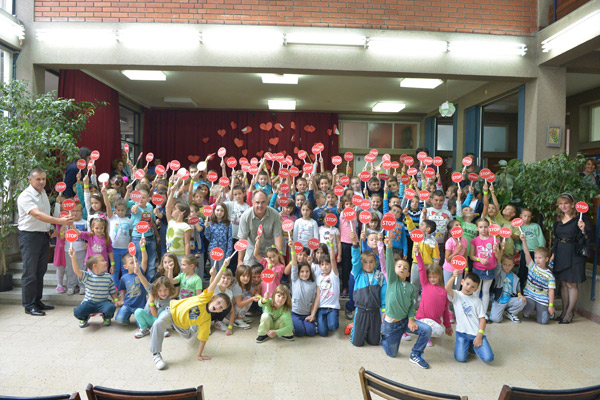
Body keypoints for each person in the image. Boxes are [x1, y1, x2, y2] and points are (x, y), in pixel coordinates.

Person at [149, 258, 232, 370]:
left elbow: (203, 339)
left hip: (183, 327)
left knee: (190, 335)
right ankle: (156, 355)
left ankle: (192, 326)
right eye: (218, 303)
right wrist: (223, 267)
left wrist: (199, 355)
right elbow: (214, 283)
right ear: (213, 298)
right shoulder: (204, 297)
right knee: (158, 324)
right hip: (172, 313)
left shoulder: (206, 320)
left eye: (220, 307)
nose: (217, 306)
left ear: (219, 312)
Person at [17, 167, 73, 316]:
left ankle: (37, 301)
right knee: (30, 272)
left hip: (43, 235)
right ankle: (29, 305)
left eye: (44, 179)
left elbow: (45, 215)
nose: (42, 182)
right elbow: (38, 215)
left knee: (40, 271)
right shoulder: (26, 196)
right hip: (29, 236)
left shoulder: (42, 194)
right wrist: (59, 221)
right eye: (38, 179)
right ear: (30, 180)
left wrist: (52, 227)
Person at [380, 238, 432, 368]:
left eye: (405, 267)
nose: (402, 268)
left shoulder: (410, 287)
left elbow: (410, 306)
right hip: (392, 325)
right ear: (394, 270)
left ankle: (416, 354)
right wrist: (389, 247)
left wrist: (411, 320)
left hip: (405, 322)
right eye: (399, 266)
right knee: (392, 354)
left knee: (427, 329)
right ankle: (384, 337)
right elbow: (389, 265)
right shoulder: (392, 281)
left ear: (408, 273)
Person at [551, 193, 594, 324]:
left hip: (575, 254)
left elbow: (589, 238)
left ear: (572, 204)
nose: (563, 206)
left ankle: (570, 313)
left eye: (566, 203)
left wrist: (583, 229)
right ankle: (564, 311)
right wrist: (553, 253)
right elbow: (556, 239)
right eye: (561, 204)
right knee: (563, 284)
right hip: (561, 253)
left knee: (571, 283)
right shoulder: (558, 219)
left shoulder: (581, 219)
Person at [446, 269, 494, 363]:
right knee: (461, 359)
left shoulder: (477, 301)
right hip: (462, 333)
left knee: (489, 358)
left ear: (476, 289)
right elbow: (447, 288)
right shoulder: (456, 295)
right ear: (462, 282)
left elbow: (482, 320)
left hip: (476, 334)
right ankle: (468, 345)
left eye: (472, 287)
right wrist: (453, 276)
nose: (468, 288)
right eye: (467, 284)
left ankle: (473, 345)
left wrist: (479, 335)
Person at [349, 231, 386, 347]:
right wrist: (355, 243)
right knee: (357, 343)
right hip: (361, 310)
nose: (368, 265)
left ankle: (366, 331)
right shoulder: (358, 273)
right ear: (361, 264)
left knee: (374, 342)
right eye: (365, 262)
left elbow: (383, 294)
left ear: (376, 263)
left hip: (374, 311)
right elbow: (355, 260)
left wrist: (384, 309)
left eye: (371, 262)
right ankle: (354, 329)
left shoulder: (379, 275)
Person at [69, 248, 121, 328]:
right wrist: (73, 258)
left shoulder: (108, 277)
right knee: (77, 312)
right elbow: (77, 271)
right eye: (102, 260)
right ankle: (84, 318)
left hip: (103, 302)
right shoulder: (88, 276)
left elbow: (112, 292)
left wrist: (116, 300)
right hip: (89, 303)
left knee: (111, 307)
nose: (106, 262)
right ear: (95, 266)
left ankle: (106, 317)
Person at [414, 249, 452, 347]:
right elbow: (421, 269)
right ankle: (424, 335)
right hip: (421, 319)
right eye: (430, 277)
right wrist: (418, 254)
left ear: (440, 276)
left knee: (440, 332)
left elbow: (445, 312)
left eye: (435, 277)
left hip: (434, 322)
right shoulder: (425, 284)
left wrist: (448, 326)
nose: (432, 279)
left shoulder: (444, 292)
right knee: (426, 328)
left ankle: (425, 334)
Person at [237, 191, 283, 266]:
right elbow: (242, 240)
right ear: (252, 202)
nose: (260, 205)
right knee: (247, 271)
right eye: (257, 202)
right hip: (252, 249)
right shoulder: (245, 216)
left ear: (267, 202)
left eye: (263, 202)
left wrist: (279, 255)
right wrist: (240, 261)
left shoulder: (275, 215)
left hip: (270, 250)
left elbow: (277, 237)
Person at [469, 218, 502, 316]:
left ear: (489, 228)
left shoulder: (494, 240)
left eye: (486, 227)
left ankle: (483, 313)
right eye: (481, 227)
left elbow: (499, 258)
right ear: (477, 228)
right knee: (476, 291)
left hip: (490, 269)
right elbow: (471, 256)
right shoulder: (474, 241)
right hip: (477, 269)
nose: (483, 229)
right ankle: (475, 311)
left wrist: (497, 250)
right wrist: (480, 259)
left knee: (486, 291)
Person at [520, 234, 555, 324]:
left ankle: (548, 311)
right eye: (536, 257)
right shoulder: (531, 265)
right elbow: (527, 253)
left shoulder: (549, 275)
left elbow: (551, 291)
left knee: (543, 321)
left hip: (542, 299)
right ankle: (528, 311)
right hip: (530, 295)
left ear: (546, 259)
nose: (537, 260)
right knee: (527, 312)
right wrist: (524, 241)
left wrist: (550, 305)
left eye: (540, 258)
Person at [115, 238, 148, 325]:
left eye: (136, 261)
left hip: (140, 306)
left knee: (141, 324)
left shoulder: (140, 271)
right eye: (132, 263)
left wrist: (142, 248)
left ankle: (139, 318)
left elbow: (144, 260)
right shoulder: (124, 277)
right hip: (128, 305)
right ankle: (126, 317)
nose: (135, 264)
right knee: (119, 320)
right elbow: (123, 290)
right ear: (125, 267)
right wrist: (122, 301)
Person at [289, 242, 319, 337]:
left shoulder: (313, 282)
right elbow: (294, 265)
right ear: (298, 273)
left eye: (307, 271)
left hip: (307, 314)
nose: (305, 274)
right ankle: (293, 324)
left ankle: (312, 325)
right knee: (300, 333)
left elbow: (315, 300)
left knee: (311, 333)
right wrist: (293, 250)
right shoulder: (295, 279)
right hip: (295, 313)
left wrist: (312, 315)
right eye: (302, 271)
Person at [490, 255, 526, 323]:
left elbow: (518, 289)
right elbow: (498, 267)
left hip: (509, 299)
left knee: (522, 300)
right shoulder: (499, 273)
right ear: (502, 264)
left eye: (509, 265)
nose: (507, 266)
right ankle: (499, 310)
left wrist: (519, 295)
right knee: (495, 319)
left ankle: (511, 312)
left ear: (513, 265)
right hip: (499, 300)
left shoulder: (515, 277)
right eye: (505, 264)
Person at [205, 203, 233, 269]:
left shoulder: (228, 224)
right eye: (217, 210)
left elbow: (229, 239)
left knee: (222, 270)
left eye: (222, 211)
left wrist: (228, 254)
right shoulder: (210, 223)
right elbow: (208, 237)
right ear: (214, 211)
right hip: (213, 250)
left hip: (223, 250)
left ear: (225, 212)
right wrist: (207, 228)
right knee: (214, 269)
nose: (219, 212)